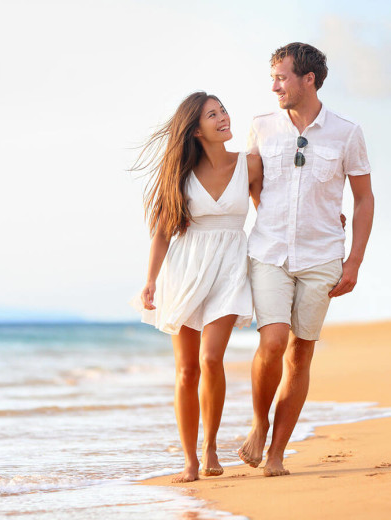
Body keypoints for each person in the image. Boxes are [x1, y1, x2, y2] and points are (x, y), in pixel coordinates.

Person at [237, 42, 375, 477]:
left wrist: (353, 261)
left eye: (281, 77)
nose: (274, 85)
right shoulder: (262, 126)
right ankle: (259, 424)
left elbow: (364, 198)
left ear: (308, 79)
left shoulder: (347, 132)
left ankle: (276, 453)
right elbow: (252, 183)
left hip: (322, 257)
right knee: (273, 341)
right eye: (273, 77)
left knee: (300, 354)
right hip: (269, 251)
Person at [132, 91, 262, 483]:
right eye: (212, 114)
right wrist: (151, 280)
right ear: (196, 130)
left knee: (210, 359)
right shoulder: (180, 176)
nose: (223, 117)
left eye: (223, 110)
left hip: (229, 268)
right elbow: (161, 233)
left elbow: (271, 213)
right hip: (186, 269)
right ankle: (190, 459)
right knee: (187, 370)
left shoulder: (250, 165)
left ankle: (210, 446)